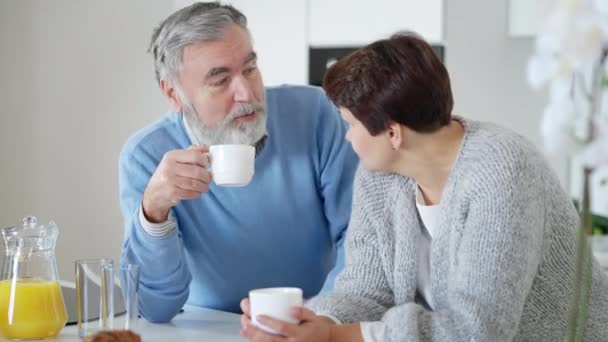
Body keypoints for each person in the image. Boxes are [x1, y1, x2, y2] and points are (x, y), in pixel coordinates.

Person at [239, 32, 608, 341]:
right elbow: (365, 290)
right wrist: (311, 323)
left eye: (350, 124)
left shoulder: (503, 171)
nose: (347, 137)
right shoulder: (379, 176)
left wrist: (338, 337)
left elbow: (477, 331)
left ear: (392, 132)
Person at [118, 2, 358, 322]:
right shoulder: (146, 157)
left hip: (317, 323)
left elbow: (359, 241)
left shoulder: (317, 115)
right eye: (220, 80)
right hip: (210, 329)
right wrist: (153, 212)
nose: (246, 92)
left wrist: (323, 318)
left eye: (249, 68)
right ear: (173, 95)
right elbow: (156, 309)